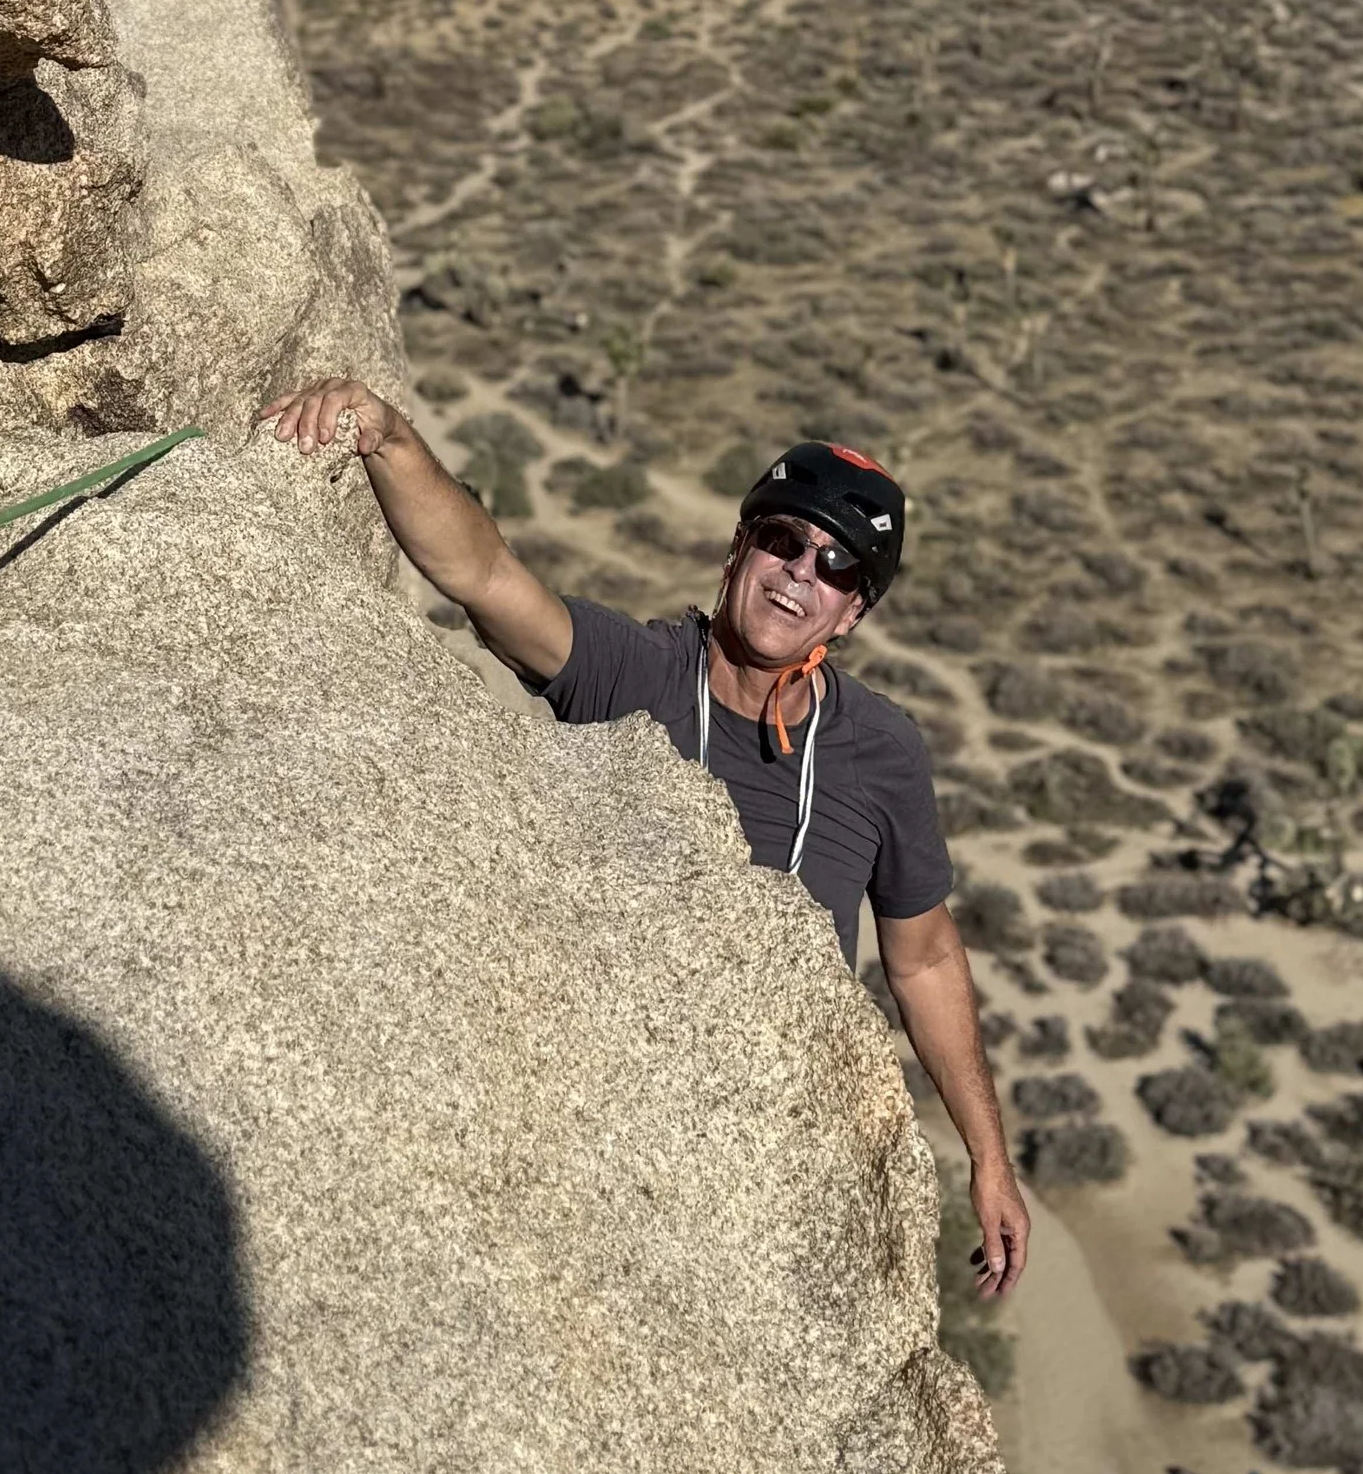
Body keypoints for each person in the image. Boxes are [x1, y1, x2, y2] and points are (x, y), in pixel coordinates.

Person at [263, 381, 1031, 1299]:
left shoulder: (882, 753)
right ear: (737, 549)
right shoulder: (637, 673)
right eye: (783, 540)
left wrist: (989, 1156)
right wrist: (388, 438)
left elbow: (927, 959)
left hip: (775, 1150)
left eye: (836, 566)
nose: (800, 573)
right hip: (597, 1118)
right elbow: (485, 576)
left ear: (852, 613)